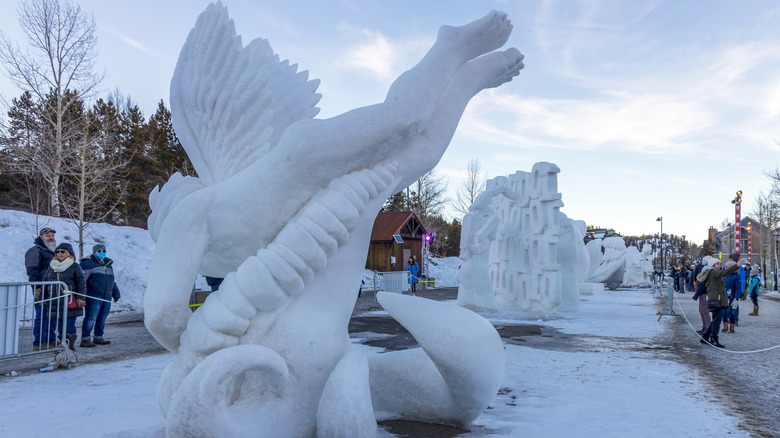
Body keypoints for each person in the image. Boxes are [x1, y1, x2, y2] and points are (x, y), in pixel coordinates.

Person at [41, 242, 86, 351]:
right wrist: (42, 297)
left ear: (68, 253)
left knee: (69, 325)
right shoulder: (52, 266)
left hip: (69, 301)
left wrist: (81, 297)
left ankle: (69, 347)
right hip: (55, 302)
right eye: (57, 251)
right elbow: (45, 282)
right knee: (60, 326)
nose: (60, 253)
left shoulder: (75, 266)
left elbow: (81, 281)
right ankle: (63, 347)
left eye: (63, 251)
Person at [79, 243, 121, 347]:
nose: (101, 253)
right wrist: (82, 296)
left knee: (102, 317)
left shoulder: (108, 264)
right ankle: (85, 338)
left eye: (103, 251)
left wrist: (115, 292)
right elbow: (82, 280)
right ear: (94, 252)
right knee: (91, 317)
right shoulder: (88, 264)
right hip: (94, 296)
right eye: (99, 251)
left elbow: (112, 281)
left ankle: (98, 337)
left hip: (107, 295)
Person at [698, 255, 742, 348]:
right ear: (713, 265)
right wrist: (737, 265)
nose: (720, 265)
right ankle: (714, 338)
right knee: (717, 320)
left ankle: (705, 337)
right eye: (718, 263)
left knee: (716, 319)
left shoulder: (713, 272)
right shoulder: (713, 272)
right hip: (715, 299)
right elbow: (724, 273)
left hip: (716, 298)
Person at [24, 227, 57, 350]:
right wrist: (37, 288)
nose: (51, 238)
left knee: (52, 315)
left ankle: (51, 340)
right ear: (41, 237)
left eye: (52, 235)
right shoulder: (35, 250)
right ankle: (39, 342)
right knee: (42, 315)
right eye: (47, 235)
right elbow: (32, 271)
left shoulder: (54, 251)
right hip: (42, 288)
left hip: (54, 289)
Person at [722, 253, 744, 333]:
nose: (725, 268)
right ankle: (725, 326)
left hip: (733, 297)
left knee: (733, 312)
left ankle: (732, 326)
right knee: (724, 311)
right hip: (724, 297)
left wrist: (736, 298)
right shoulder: (724, 275)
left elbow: (738, 288)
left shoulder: (736, 276)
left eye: (727, 267)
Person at [691, 257, 711, 339]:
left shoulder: (707, 271)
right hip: (702, 292)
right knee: (701, 311)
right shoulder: (701, 268)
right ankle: (704, 326)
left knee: (705, 311)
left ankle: (708, 328)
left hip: (704, 293)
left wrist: (696, 294)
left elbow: (703, 284)